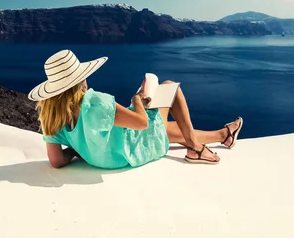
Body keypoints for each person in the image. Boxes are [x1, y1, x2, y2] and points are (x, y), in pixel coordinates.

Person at [28, 50, 243, 169]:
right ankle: (196, 149)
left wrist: (79, 148)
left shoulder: (50, 116)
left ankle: (224, 135)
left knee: (167, 129)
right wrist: (138, 99)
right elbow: (142, 123)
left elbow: (56, 161)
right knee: (170, 87)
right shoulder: (94, 103)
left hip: (102, 157)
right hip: (127, 152)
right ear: (79, 81)